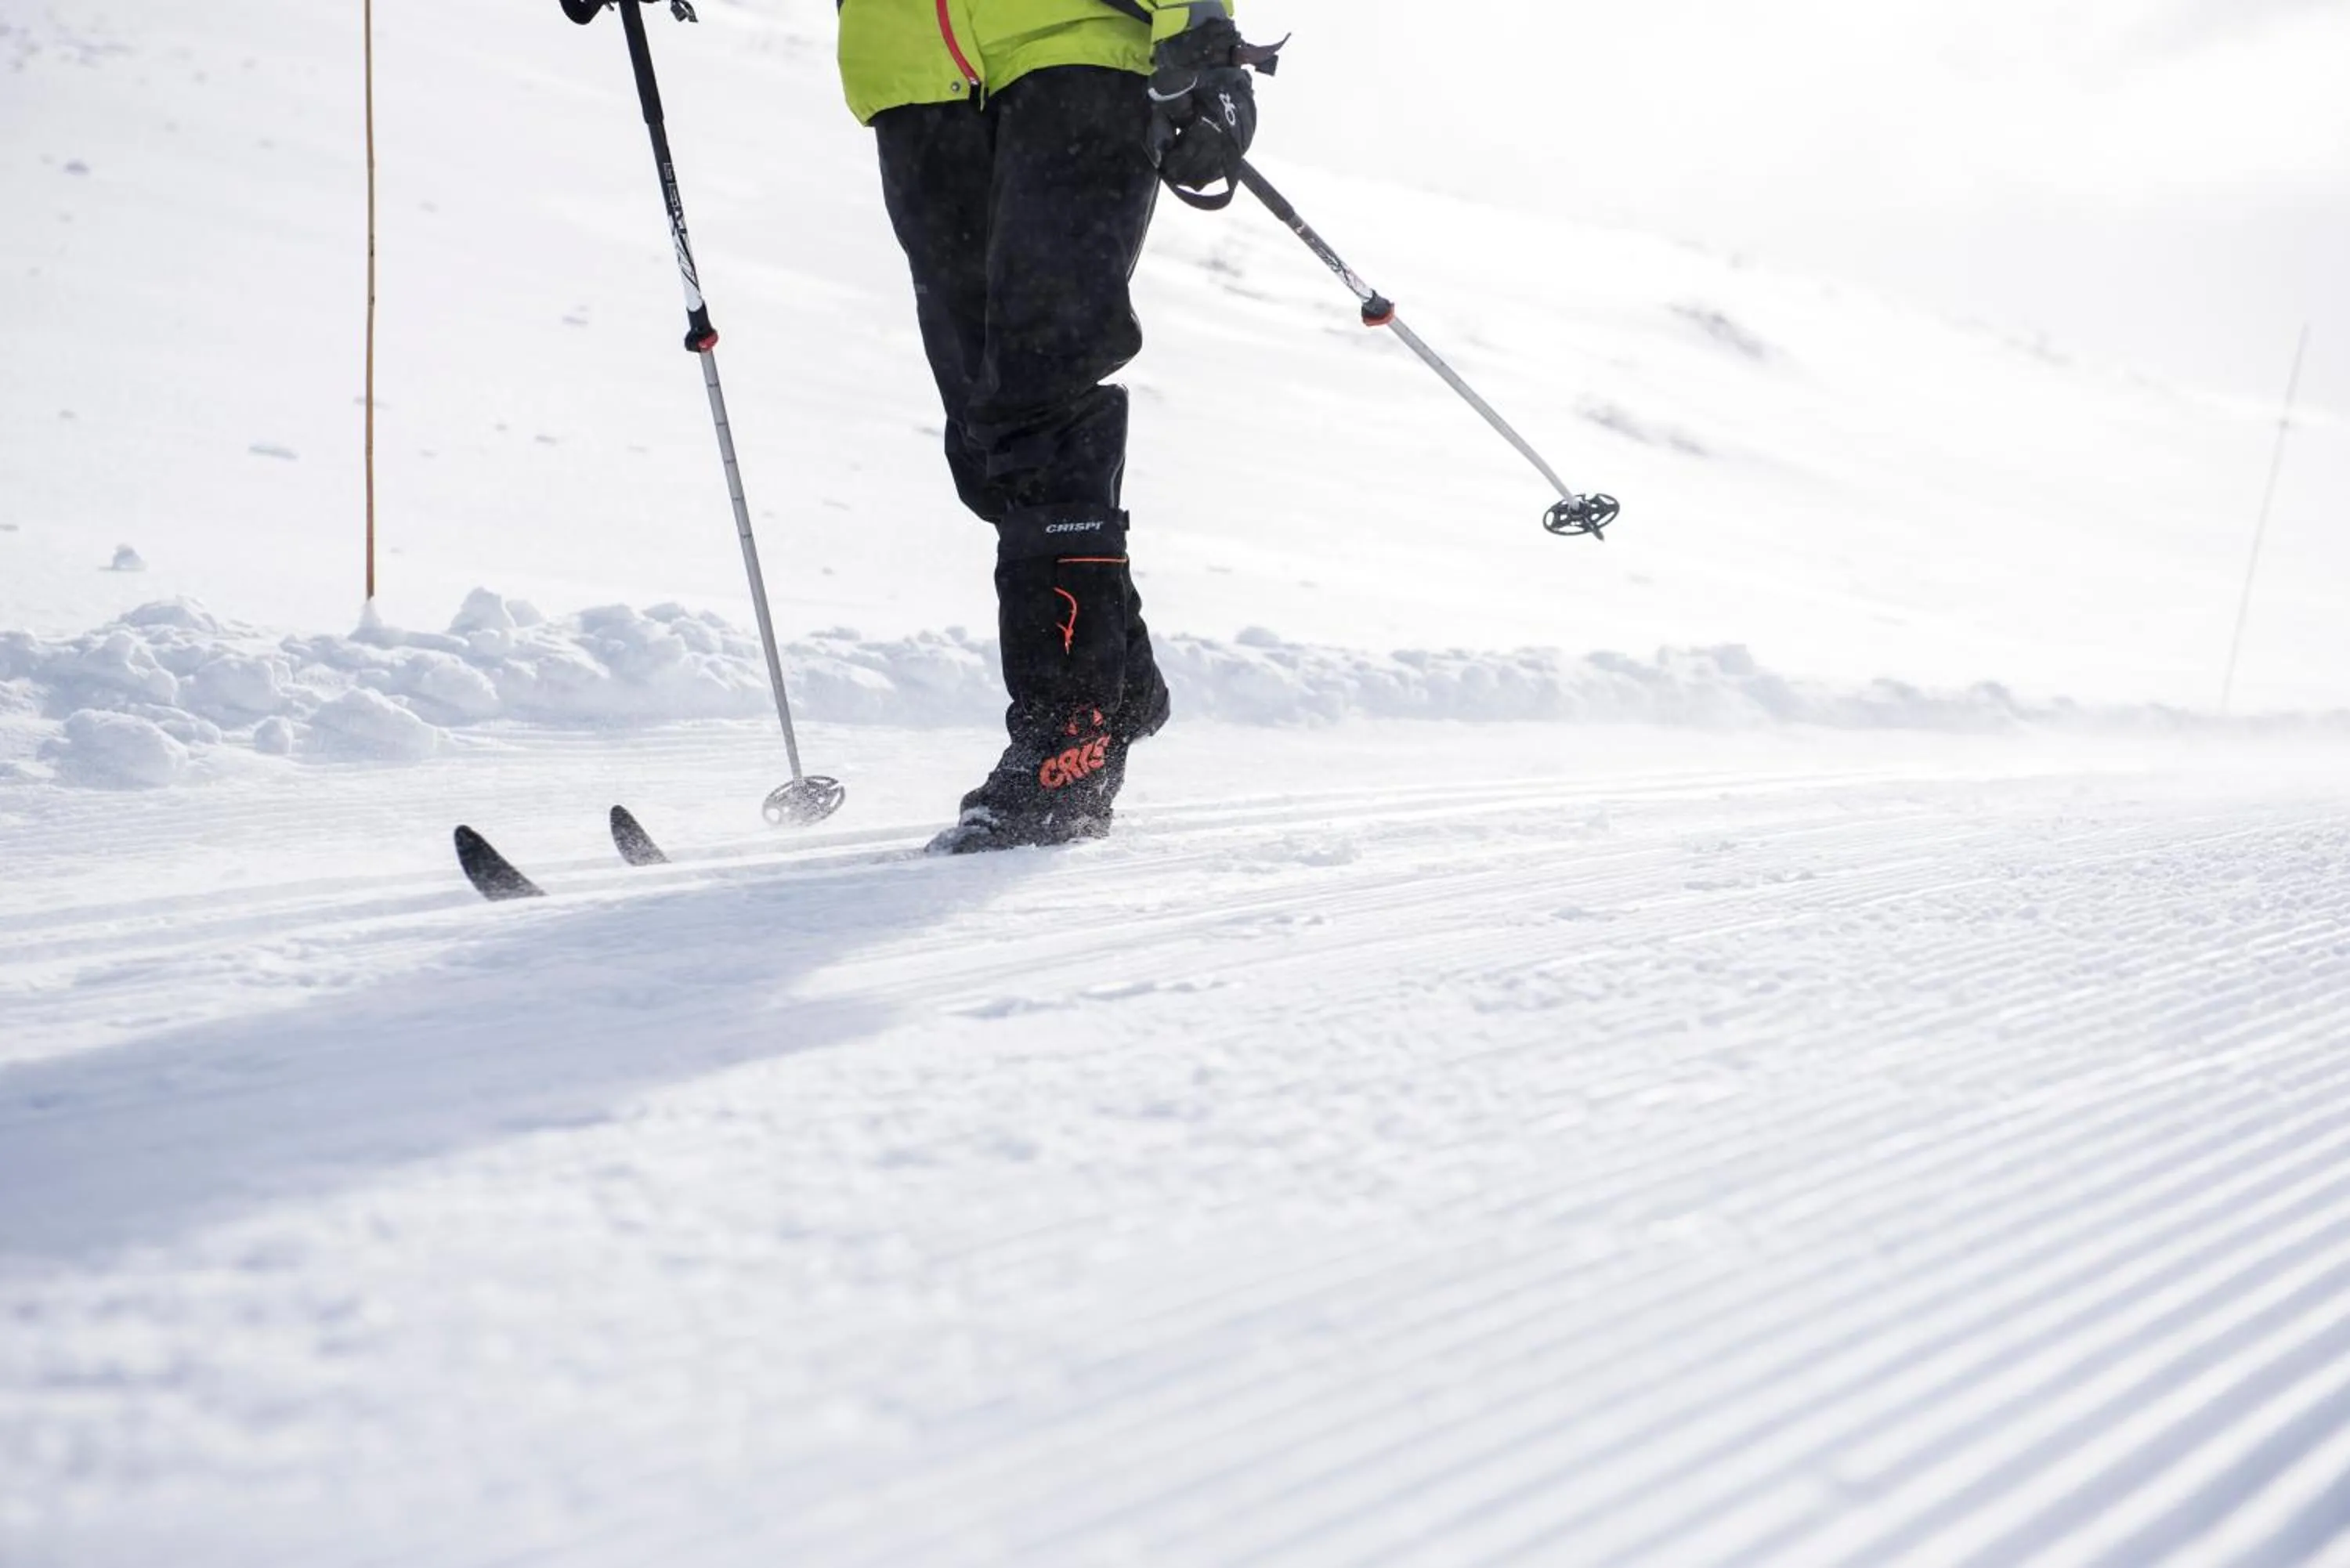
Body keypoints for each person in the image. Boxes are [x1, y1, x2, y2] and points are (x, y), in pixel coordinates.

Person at [835, 0, 1270, 854]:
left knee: (1039, 387)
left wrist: (1207, 34)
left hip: (1077, 52)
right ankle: (1120, 688)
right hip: (911, 75)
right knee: (984, 432)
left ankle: (1069, 731)